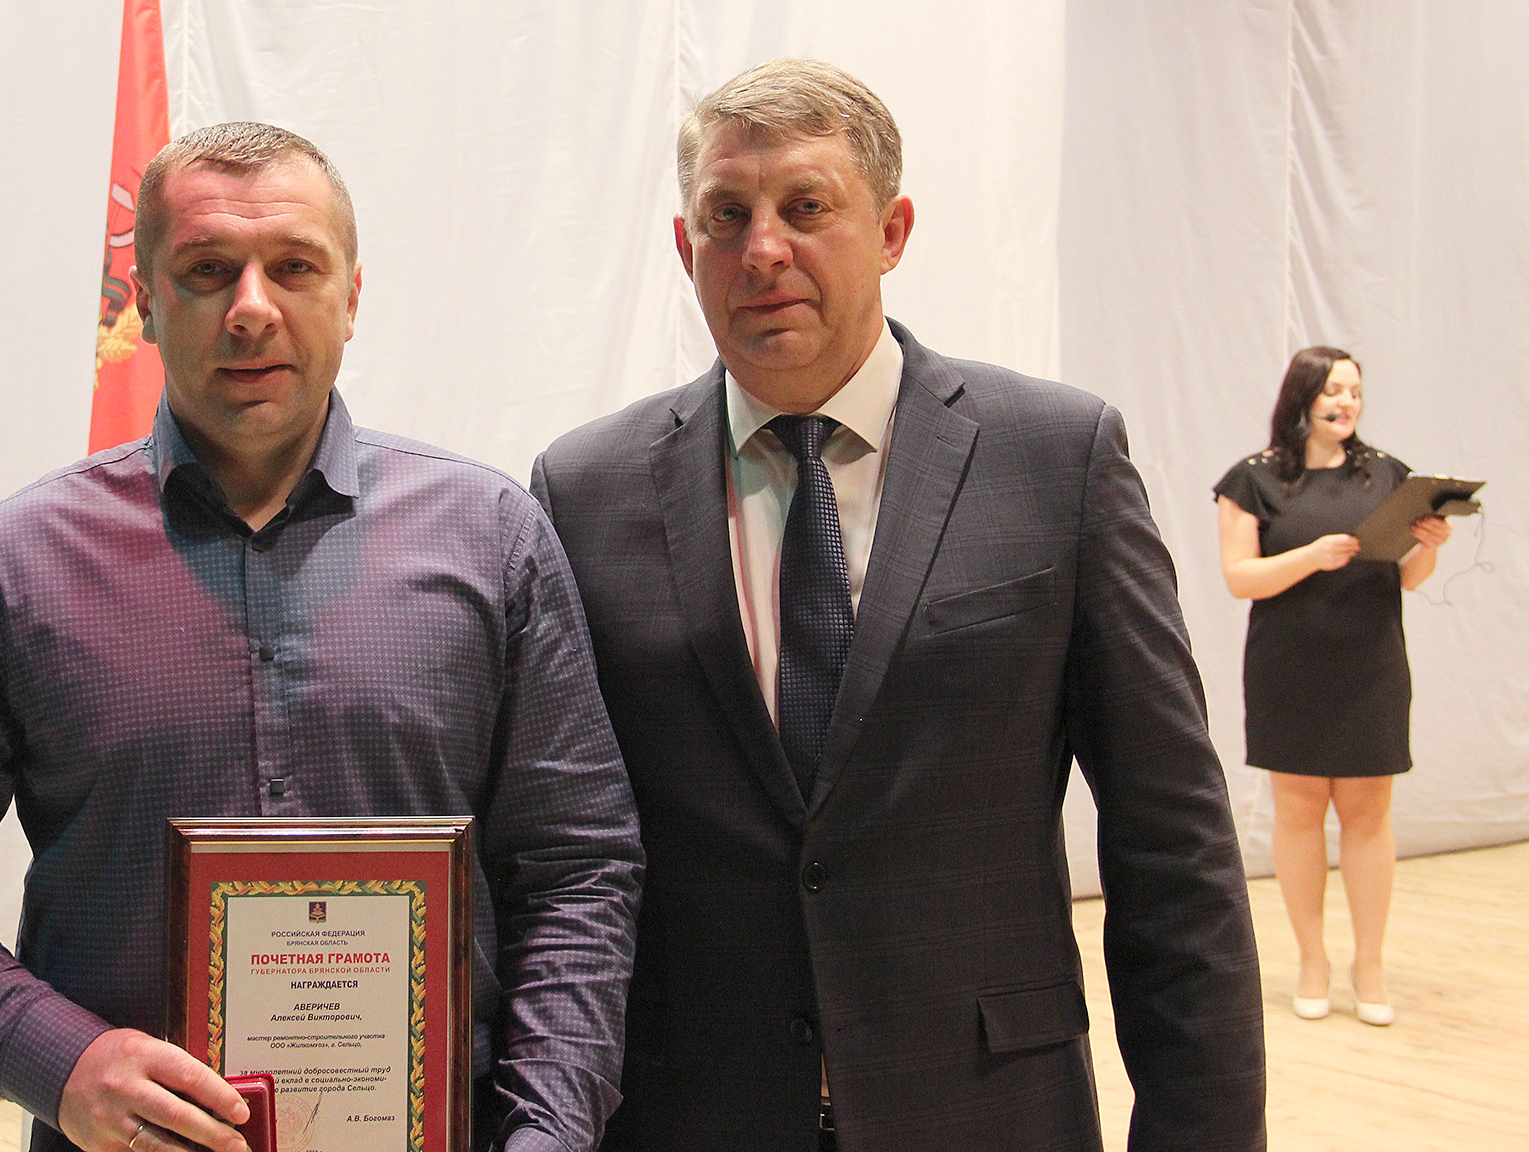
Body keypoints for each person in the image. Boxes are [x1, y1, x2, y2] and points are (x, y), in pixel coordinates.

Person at [0, 122, 643, 1152]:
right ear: (146, 301)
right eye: (209, 270)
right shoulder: (10, 569)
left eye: (294, 266)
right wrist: (61, 1060)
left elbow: (577, 869)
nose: (252, 308)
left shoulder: (492, 542)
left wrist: (548, 1134)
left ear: (351, 296)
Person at [531, 59, 1265, 1151]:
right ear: (686, 248)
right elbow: (561, 856)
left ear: (892, 231)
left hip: (988, 1110)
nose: (762, 249)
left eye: (807, 207)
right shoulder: (584, 491)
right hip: (693, 1116)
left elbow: (1174, 848)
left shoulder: (1055, 460)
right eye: (727, 216)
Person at [1213, 345, 1451, 1027]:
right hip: (1289, 666)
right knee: (1298, 812)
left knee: (1369, 813)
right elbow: (1240, 578)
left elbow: (1409, 578)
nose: (1348, 403)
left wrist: (1429, 544)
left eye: (1355, 391)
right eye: (1334, 391)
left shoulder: (1388, 475)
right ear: (1303, 397)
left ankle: (1368, 964)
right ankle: (1312, 960)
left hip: (1371, 664)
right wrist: (1311, 557)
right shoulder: (1252, 480)